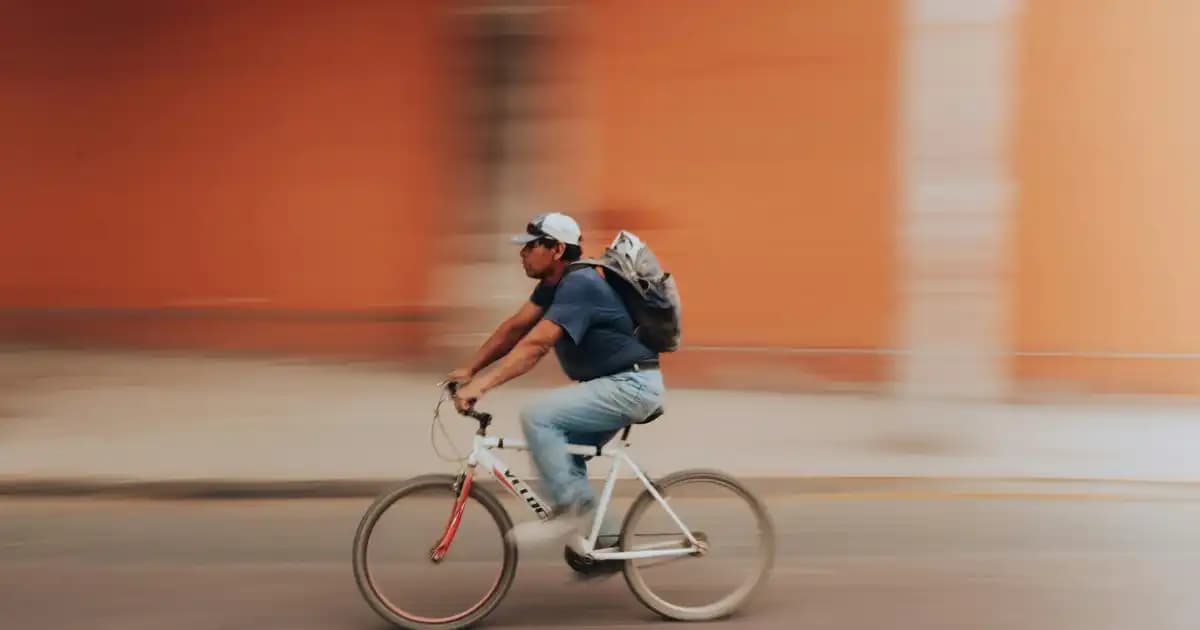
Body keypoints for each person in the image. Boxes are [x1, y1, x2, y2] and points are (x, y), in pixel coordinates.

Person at [448, 211, 665, 550]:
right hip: (619, 385)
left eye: (531, 246)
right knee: (564, 455)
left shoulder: (580, 285)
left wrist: (482, 386)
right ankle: (602, 540)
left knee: (538, 416)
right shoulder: (554, 287)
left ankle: (567, 512)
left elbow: (535, 346)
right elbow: (515, 329)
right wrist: (471, 369)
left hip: (630, 386)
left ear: (557, 250)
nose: (522, 252)